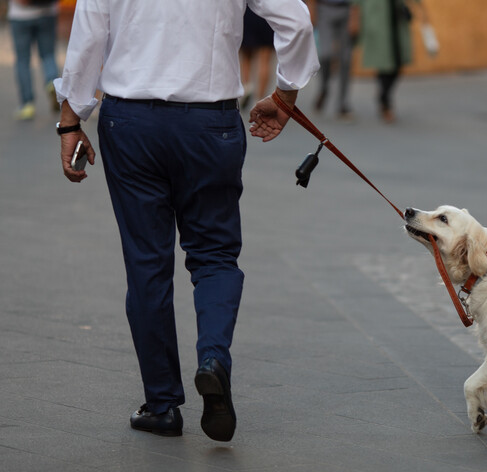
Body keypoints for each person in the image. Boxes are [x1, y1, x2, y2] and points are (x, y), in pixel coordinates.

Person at [54, 0, 319, 441]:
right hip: (209, 124)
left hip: (130, 123)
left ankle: (161, 405)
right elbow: (296, 21)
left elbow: (88, 37)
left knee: (146, 263)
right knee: (215, 255)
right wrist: (286, 92)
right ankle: (212, 359)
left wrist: (70, 120)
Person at [354, 0, 424, 123]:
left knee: (398, 64)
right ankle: (385, 101)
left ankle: (383, 95)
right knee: (383, 63)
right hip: (378, 21)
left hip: (397, 22)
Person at [7, 0, 61, 120]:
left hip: (19, 16)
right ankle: (52, 82)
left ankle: (27, 104)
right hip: (47, 13)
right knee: (48, 55)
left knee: (22, 60)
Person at [307, 0, 358, 120]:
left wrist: (355, 14)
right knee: (325, 54)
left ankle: (343, 103)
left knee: (346, 59)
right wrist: (311, 7)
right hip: (324, 8)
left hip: (347, 9)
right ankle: (324, 89)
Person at [239, 7, 276, 109]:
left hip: (248, 11)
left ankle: (247, 86)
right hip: (267, 13)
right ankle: (260, 99)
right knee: (265, 58)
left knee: (246, 55)